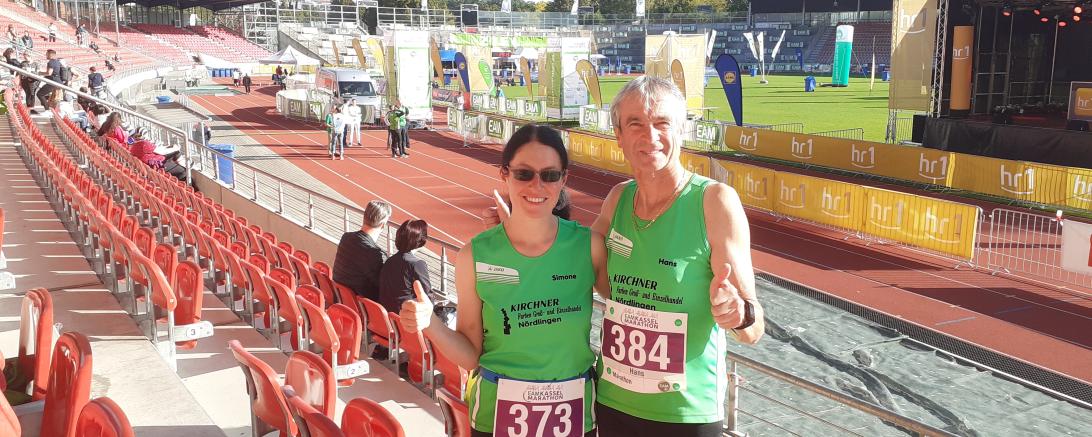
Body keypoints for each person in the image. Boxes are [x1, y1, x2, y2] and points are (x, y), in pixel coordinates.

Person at [401, 124, 608, 437]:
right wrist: (429, 323)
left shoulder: (588, 245)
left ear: (564, 180)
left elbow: (631, 294)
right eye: (524, 174)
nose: (537, 186)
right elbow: (471, 354)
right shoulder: (475, 255)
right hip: (497, 417)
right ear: (504, 175)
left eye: (550, 175)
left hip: (574, 417)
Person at [332, 200, 391, 300]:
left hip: (340, 300)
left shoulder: (346, 238)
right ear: (383, 225)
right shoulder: (376, 254)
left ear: (365, 218)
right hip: (361, 308)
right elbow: (385, 287)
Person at [378, 219, 431, 313]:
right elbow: (427, 296)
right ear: (421, 240)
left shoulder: (389, 261)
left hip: (388, 316)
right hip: (406, 318)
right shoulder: (417, 264)